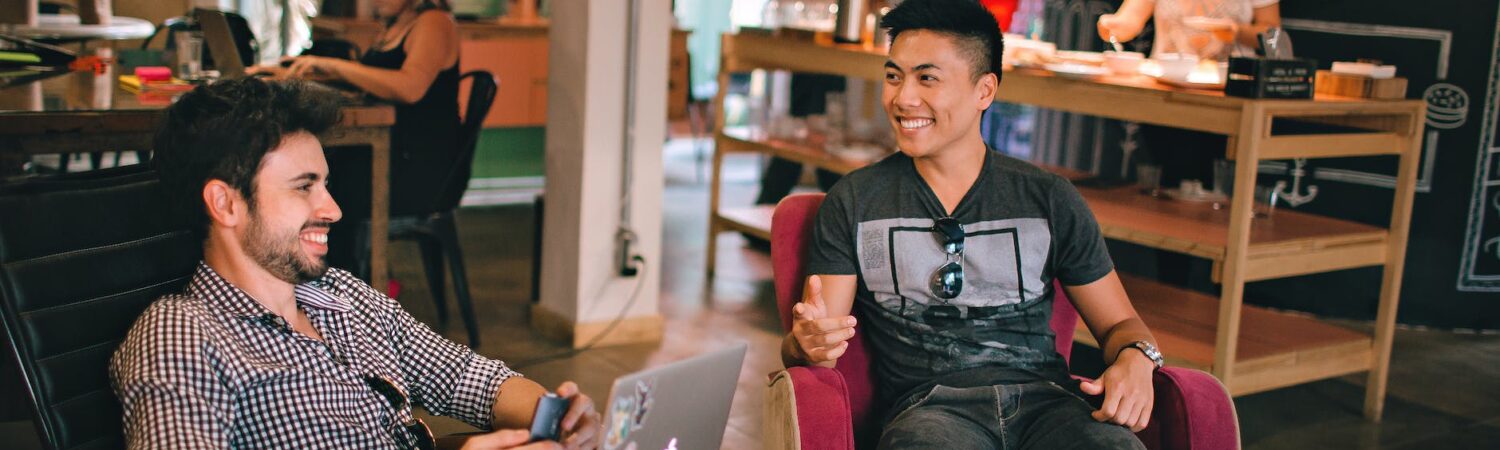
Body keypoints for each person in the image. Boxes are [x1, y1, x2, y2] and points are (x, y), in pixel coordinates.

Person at [111, 78, 600, 449]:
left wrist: (555, 416)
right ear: (226, 205)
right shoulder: (180, 336)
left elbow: (464, 377)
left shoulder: (343, 296)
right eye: (304, 187)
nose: (333, 209)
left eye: (324, 184)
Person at [781, 0, 1162, 448]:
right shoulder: (856, 201)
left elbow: (1122, 326)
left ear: (985, 91)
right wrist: (803, 344)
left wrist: (1138, 358)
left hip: (1053, 407)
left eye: (927, 78)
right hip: (930, 413)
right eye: (893, 76)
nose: (902, 97)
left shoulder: (1048, 198)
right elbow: (815, 347)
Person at [247, 0, 464, 275]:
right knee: (313, 175)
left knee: (326, 185)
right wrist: (298, 74)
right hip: (394, 153)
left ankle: (332, 283)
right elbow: (370, 81)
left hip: (418, 169)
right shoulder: (396, 24)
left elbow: (410, 87)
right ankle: (307, 279)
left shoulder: (434, 22)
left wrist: (334, 66)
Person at [1097, 0, 1281, 286]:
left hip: (1232, 99)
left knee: (1222, 203)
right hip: (1169, 96)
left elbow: (1273, 35)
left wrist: (1233, 31)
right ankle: (1171, 288)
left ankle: (1218, 293)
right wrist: (1112, 26)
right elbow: (1130, 20)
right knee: (1169, 200)